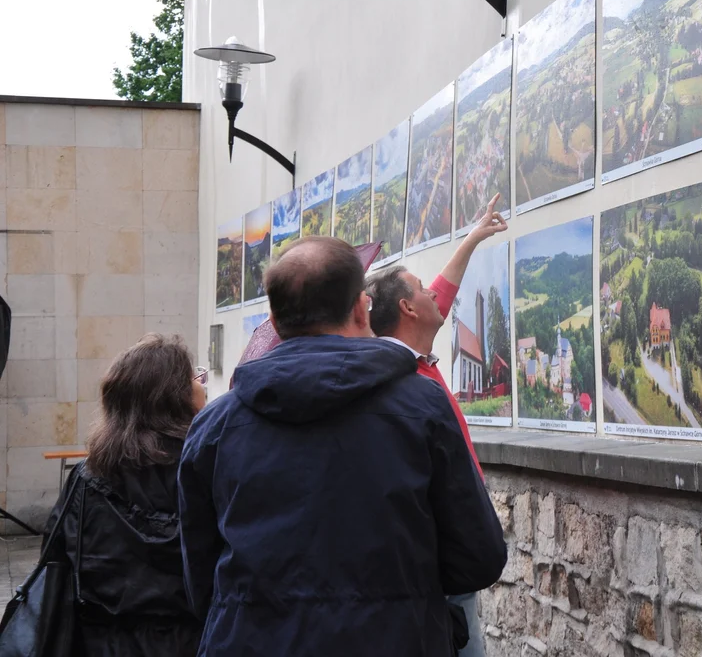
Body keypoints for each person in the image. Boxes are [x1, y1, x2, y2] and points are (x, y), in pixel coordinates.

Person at [178, 235, 506, 657]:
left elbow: (198, 577)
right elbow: (478, 556)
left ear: (275, 323)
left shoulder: (213, 428)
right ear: (359, 308)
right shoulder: (421, 406)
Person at [366, 193, 506, 657]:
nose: (433, 293)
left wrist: (473, 237)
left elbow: (442, 292)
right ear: (407, 311)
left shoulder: (416, 359)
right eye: (421, 290)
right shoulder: (401, 381)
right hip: (439, 557)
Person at [40, 333, 206, 656]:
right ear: (178, 397)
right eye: (194, 379)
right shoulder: (207, 472)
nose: (201, 385)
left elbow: (56, 562)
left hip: (101, 644)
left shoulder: (86, 480)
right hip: (195, 643)